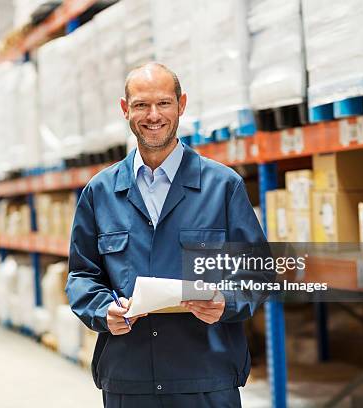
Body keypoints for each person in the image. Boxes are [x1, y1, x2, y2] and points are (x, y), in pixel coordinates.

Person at [66, 62, 271, 408]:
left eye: (163, 103)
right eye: (141, 105)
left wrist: (226, 301)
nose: (153, 115)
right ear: (124, 109)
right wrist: (104, 309)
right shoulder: (99, 193)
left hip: (206, 377)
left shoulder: (222, 187)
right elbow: (82, 275)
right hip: (129, 380)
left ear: (181, 104)